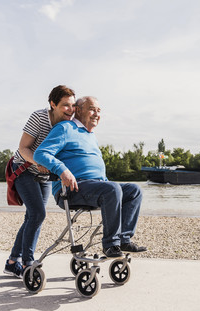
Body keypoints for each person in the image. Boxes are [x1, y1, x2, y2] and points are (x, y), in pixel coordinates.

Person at [34, 96, 146, 258]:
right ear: (78, 110)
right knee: (112, 189)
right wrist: (62, 170)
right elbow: (40, 153)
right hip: (71, 189)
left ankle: (123, 239)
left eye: (99, 111)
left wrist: (107, 185)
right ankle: (110, 244)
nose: (96, 114)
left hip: (96, 187)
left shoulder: (90, 135)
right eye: (92, 109)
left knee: (134, 190)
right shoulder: (65, 128)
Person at [4, 85, 76, 278]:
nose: (70, 109)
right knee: (37, 213)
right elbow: (23, 148)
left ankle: (12, 262)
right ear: (53, 104)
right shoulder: (39, 117)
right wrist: (39, 160)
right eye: (65, 105)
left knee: (33, 216)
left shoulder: (69, 124)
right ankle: (28, 263)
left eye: (73, 105)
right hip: (24, 169)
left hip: (44, 175)